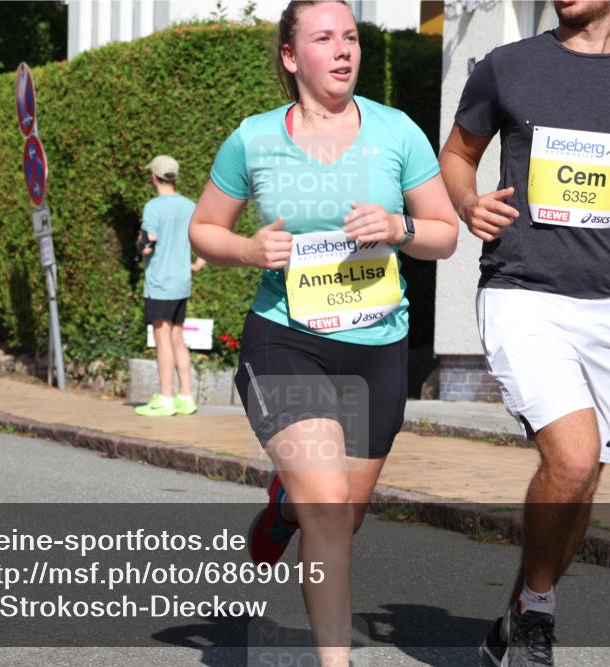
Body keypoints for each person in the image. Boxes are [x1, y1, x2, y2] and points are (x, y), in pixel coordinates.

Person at [189, 2, 458, 664]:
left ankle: (285, 508)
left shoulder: (396, 132)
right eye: (323, 39)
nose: (343, 50)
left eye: (350, 37)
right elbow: (204, 228)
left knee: (344, 514)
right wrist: (248, 251)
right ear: (290, 57)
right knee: (331, 509)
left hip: (378, 346)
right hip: (286, 340)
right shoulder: (253, 138)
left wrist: (398, 229)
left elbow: (446, 233)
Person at [439, 1, 610, 664]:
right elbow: (457, 155)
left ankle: (517, 621)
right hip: (522, 292)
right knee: (574, 456)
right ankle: (537, 619)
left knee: (585, 478)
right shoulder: (508, 67)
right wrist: (470, 204)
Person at [134, 155, 206, 417]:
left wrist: (141, 244)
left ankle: (165, 397)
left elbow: (148, 244)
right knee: (178, 338)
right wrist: (197, 264)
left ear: (154, 177)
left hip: (160, 282)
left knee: (162, 338)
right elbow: (204, 239)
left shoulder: (153, 207)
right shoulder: (190, 206)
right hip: (181, 282)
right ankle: (186, 397)